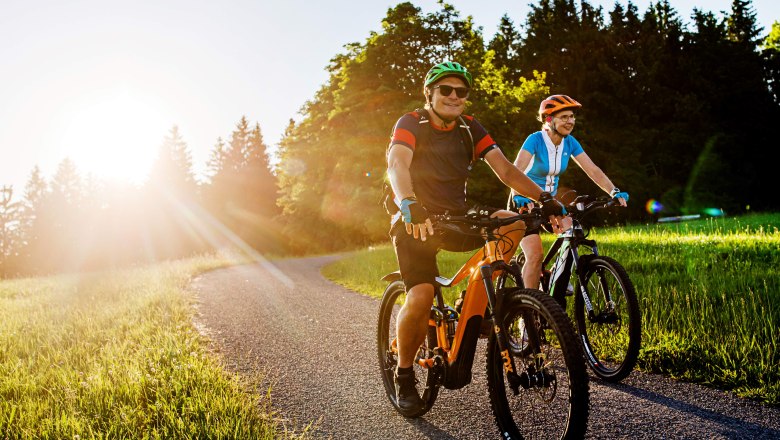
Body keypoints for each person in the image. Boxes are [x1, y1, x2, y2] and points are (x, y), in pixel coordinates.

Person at [385, 61, 566, 415]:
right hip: (416, 222)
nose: (454, 97)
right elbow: (396, 163)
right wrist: (408, 202)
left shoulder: (469, 127)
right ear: (430, 94)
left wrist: (545, 200)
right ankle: (404, 374)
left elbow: (505, 169)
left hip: (458, 217)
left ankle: (478, 302)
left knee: (513, 222)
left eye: (461, 92)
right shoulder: (412, 122)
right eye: (445, 90)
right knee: (420, 296)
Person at [508, 94, 629, 291]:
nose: (570, 121)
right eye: (564, 117)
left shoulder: (570, 142)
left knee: (573, 232)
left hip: (549, 203)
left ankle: (556, 276)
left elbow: (592, 169)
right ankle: (528, 314)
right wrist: (518, 194)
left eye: (572, 116)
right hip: (524, 201)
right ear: (548, 119)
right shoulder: (535, 140)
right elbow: (514, 171)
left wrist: (613, 191)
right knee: (535, 255)